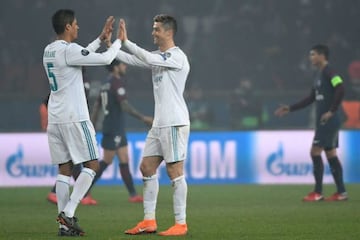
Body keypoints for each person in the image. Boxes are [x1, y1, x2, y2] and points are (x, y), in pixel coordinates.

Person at [43, 9, 121, 236]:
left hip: (55, 118)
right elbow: (105, 59)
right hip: (74, 117)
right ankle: (68, 212)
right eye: (75, 24)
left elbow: (81, 53)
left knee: (64, 170)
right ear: (67, 27)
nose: (77, 27)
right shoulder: (70, 50)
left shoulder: (49, 50)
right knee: (92, 165)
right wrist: (117, 42)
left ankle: (63, 227)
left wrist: (99, 38)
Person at [115, 15, 190, 236]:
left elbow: (145, 57)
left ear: (169, 32)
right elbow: (134, 60)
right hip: (160, 123)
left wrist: (127, 42)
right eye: (153, 28)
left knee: (175, 171)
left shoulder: (178, 57)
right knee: (147, 167)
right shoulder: (158, 57)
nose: (153, 33)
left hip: (175, 122)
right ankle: (149, 221)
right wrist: (110, 47)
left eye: (156, 29)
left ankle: (181, 223)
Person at [274, 44, 348, 202]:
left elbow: (340, 88)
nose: (311, 57)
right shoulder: (319, 75)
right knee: (330, 154)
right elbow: (310, 98)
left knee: (315, 152)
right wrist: (290, 108)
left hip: (328, 119)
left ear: (322, 56)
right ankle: (341, 192)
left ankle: (318, 192)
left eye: (313, 54)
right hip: (327, 120)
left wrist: (332, 110)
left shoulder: (329, 71)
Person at [90, 59, 153, 203]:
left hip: (115, 126)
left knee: (124, 159)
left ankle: (133, 195)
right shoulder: (116, 83)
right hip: (113, 128)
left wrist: (92, 125)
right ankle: (83, 191)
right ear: (116, 67)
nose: (125, 66)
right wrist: (143, 118)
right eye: (123, 64)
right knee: (107, 160)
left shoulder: (105, 83)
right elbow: (124, 106)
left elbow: (97, 107)